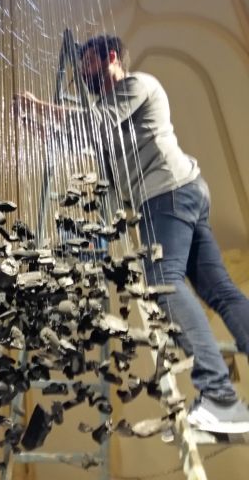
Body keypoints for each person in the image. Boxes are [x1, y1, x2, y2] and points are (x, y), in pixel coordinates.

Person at [16, 34, 249, 434]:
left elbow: (94, 123)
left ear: (110, 57)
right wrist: (34, 125)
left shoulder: (136, 84)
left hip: (166, 194)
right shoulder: (113, 112)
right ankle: (222, 396)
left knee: (163, 283)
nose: (83, 73)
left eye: (88, 63)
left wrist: (37, 105)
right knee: (220, 291)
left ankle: (219, 396)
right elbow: (81, 138)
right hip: (182, 192)